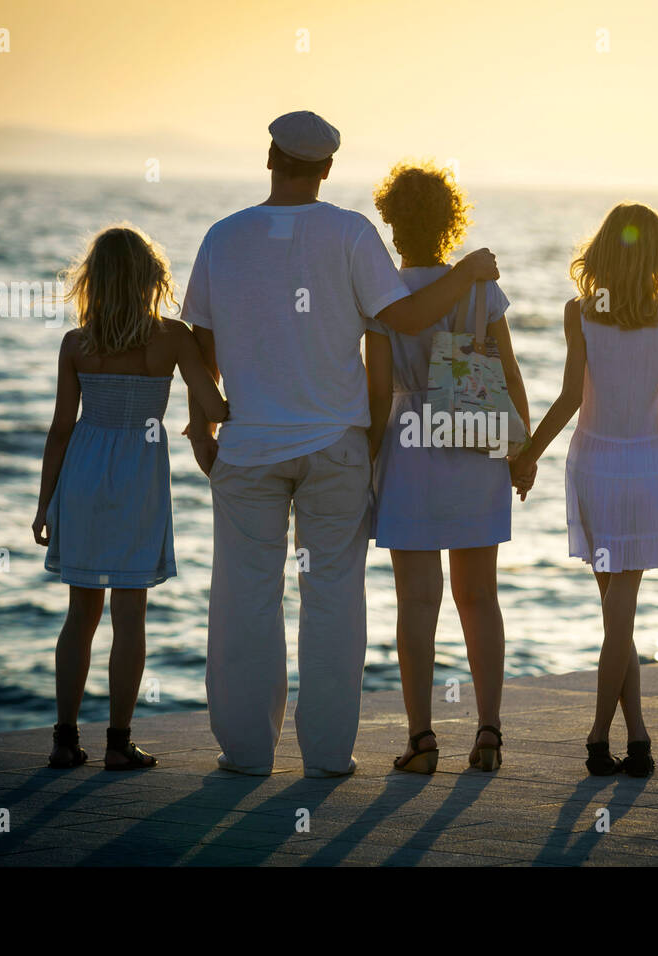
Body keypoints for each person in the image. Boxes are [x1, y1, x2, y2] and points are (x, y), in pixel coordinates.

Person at [182, 111, 500, 777]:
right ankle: (327, 757)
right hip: (336, 445)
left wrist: (201, 424)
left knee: (245, 597)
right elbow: (406, 318)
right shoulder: (352, 234)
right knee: (332, 599)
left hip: (249, 448)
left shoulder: (221, 238)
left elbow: (204, 354)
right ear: (327, 169)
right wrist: (468, 272)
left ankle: (246, 754)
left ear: (269, 157)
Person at [33, 224, 230, 771]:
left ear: (93, 281)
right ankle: (118, 742)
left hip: (83, 474)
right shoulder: (170, 338)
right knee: (131, 614)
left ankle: (65, 740)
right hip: (140, 474)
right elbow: (214, 409)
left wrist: (44, 502)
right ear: (150, 278)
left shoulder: (77, 343)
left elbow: (60, 430)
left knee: (80, 614)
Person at [510, 202, 658, 778]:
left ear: (604, 251)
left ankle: (621, 740)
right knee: (620, 618)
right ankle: (617, 738)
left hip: (592, 466)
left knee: (617, 618)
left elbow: (568, 399)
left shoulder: (581, 313)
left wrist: (527, 457)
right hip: (645, 470)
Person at [365, 161, 532, 774]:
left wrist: (365, 459)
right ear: (451, 220)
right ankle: (488, 731)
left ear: (389, 220)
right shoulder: (480, 288)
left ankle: (422, 740)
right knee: (480, 597)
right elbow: (509, 374)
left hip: (410, 446)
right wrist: (523, 451)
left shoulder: (382, 293)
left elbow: (378, 392)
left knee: (416, 602)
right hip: (476, 437)